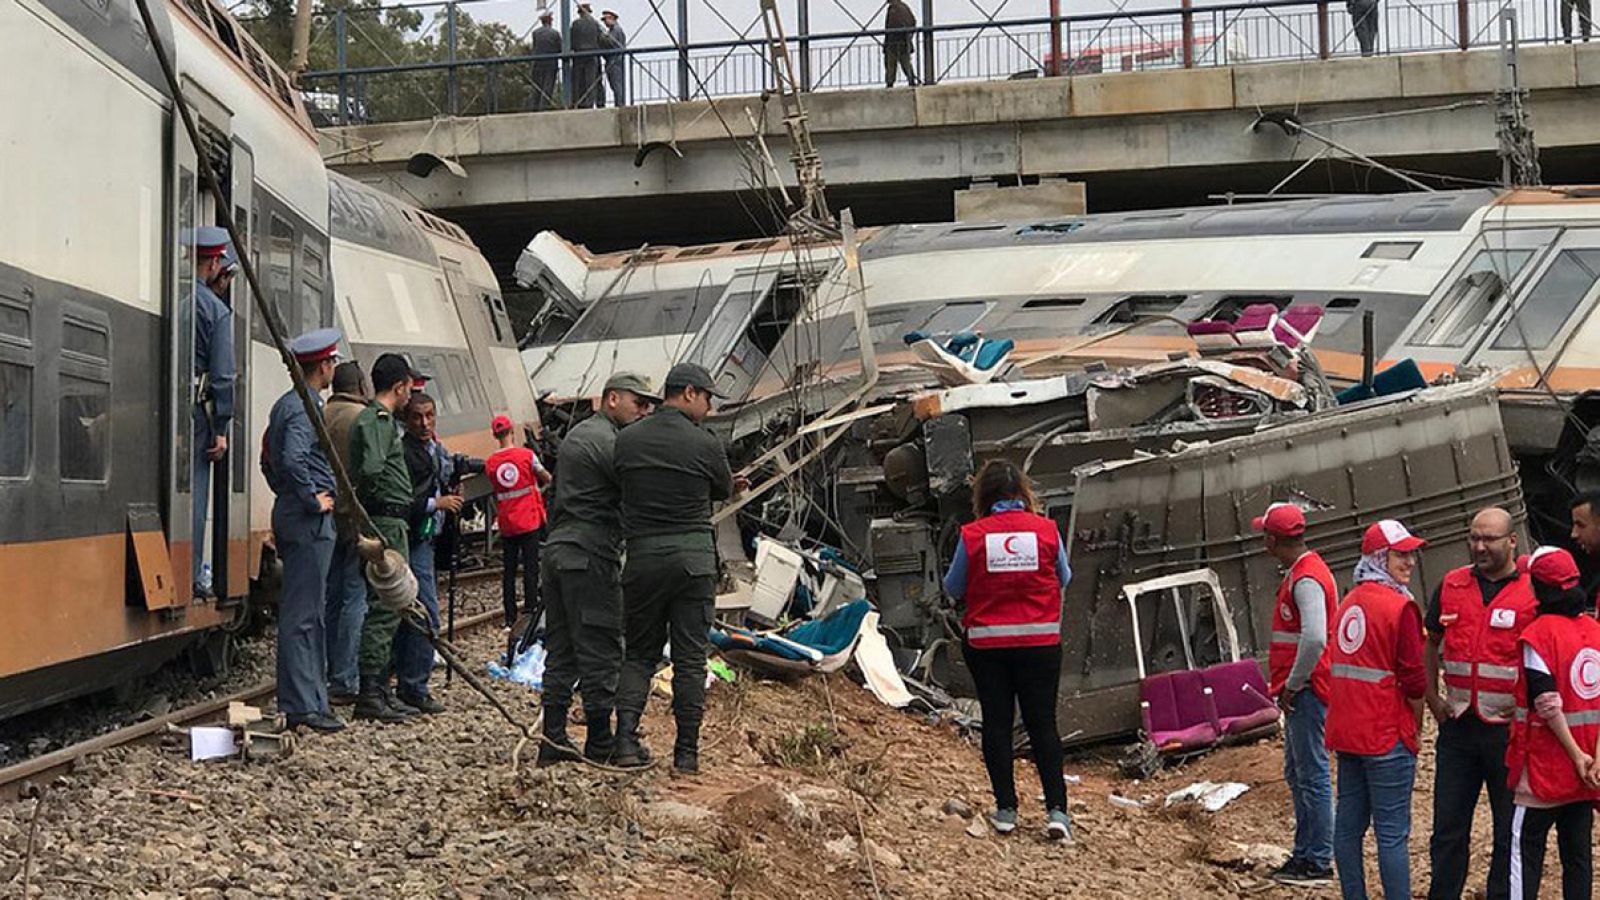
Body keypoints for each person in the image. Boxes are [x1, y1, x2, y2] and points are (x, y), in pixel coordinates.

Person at [613, 363, 743, 775]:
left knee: (638, 654)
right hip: (692, 562)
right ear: (689, 393)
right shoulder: (704, 442)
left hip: (643, 560)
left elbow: (620, 485)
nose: (709, 407)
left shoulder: (627, 439)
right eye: (707, 398)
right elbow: (723, 488)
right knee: (690, 661)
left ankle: (625, 743)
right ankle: (686, 755)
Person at [941, 459, 1073, 842]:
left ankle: (1006, 810)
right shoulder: (1046, 530)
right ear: (1023, 493)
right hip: (1040, 645)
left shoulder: (972, 536)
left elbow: (953, 587)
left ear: (982, 495)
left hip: (988, 647)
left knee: (997, 723)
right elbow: (1064, 577)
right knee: (1043, 725)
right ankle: (1057, 812)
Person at [538, 373, 658, 766]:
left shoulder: (580, 435)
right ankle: (601, 741)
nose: (644, 411)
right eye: (638, 402)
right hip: (590, 553)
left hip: (560, 550)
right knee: (601, 647)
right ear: (612, 399)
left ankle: (553, 739)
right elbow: (636, 491)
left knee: (561, 650)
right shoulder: (608, 441)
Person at [1423, 507, 1531, 900]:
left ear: (1511, 541)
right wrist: (1433, 698)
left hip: (1506, 733)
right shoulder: (1452, 585)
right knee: (1448, 829)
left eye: (1489, 539)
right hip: (1459, 729)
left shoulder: (1531, 592)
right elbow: (1430, 641)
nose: (1480, 546)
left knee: (1507, 829)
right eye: (1474, 538)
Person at [1327, 519, 1428, 900]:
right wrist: (1417, 721)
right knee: (1391, 833)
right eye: (1401, 555)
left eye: (1411, 554)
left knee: (1348, 826)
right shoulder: (1400, 607)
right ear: (1380, 558)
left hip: (1348, 731)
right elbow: (1414, 679)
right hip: (1385, 732)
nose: (1410, 562)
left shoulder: (1349, 602)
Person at [260, 328, 345, 733]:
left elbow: (267, 459)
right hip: (308, 520)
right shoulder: (304, 407)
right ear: (324, 366)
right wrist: (312, 499)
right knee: (303, 614)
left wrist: (286, 493)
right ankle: (301, 703)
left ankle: (313, 700)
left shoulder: (287, 405)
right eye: (332, 363)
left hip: (296, 514)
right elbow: (293, 459)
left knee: (311, 611)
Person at [1504, 546, 1600, 900]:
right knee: (1578, 854)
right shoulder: (1594, 630)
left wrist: (1575, 755)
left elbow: (1546, 703)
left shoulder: (1538, 635)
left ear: (1539, 588)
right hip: (1587, 771)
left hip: (1546, 767)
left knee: (1524, 848)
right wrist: (1594, 758)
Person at [1254, 502, 1337, 886]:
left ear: (1272, 540)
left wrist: (1293, 682)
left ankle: (1316, 860)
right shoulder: (1306, 572)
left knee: (1311, 774)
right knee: (1299, 771)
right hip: (1304, 689)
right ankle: (1306, 853)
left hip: (1306, 690)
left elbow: (1315, 637)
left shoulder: (1305, 579)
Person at [393, 392, 480, 714]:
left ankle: (407, 680)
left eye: (429, 416)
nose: (424, 423)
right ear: (406, 419)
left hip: (427, 539)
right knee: (424, 611)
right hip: (414, 538)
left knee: (415, 610)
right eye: (417, 417)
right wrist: (436, 503)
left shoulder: (432, 448)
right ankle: (414, 685)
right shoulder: (405, 452)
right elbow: (402, 500)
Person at [350, 353, 418, 723]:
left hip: (389, 520)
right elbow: (373, 467)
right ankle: (371, 692)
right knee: (386, 605)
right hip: (386, 522)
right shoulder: (378, 420)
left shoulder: (377, 419)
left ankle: (381, 689)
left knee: (392, 605)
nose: (410, 394)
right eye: (409, 387)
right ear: (399, 386)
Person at [323, 361, 371, 705]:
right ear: (361, 386)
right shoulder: (363, 419)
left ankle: (328, 670)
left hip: (326, 516)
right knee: (356, 598)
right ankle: (346, 677)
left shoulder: (321, 415)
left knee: (332, 596)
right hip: (355, 517)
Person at [192, 226, 236, 600]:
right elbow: (223, 377)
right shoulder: (215, 311)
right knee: (195, 491)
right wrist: (220, 427)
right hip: (195, 415)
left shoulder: (172, 294)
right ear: (215, 264)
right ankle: (191, 571)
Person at [485, 415, 552, 630]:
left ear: (495, 435)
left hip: (507, 522)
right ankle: (530, 609)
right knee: (530, 568)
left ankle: (509, 616)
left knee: (509, 571)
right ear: (512, 431)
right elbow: (546, 477)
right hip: (529, 519)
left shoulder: (490, 463)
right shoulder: (527, 455)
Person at [570, 2, 603, 109]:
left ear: (579, 13)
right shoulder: (595, 23)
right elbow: (600, 39)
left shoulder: (575, 24)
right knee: (591, 80)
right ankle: (590, 103)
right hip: (593, 55)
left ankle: (579, 103)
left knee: (579, 81)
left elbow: (571, 40)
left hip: (578, 55)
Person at [531, 9, 562, 111]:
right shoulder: (555, 33)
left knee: (538, 87)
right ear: (549, 21)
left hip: (537, 63)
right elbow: (560, 49)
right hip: (551, 64)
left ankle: (535, 107)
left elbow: (535, 47)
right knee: (548, 87)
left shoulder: (535, 33)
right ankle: (544, 107)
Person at [884, 0, 919, 88]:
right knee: (904, 63)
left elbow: (889, 27)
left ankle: (890, 83)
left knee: (892, 64)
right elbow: (913, 22)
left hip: (895, 41)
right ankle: (911, 80)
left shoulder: (894, 9)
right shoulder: (902, 8)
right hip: (901, 41)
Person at [599, 9, 627, 107]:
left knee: (616, 84)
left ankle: (619, 104)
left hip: (615, 60)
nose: (605, 22)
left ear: (612, 18)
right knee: (615, 84)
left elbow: (610, 42)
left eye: (606, 19)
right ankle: (619, 103)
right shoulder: (613, 30)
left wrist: (602, 37)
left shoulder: (616, 30)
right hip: (614, 60)